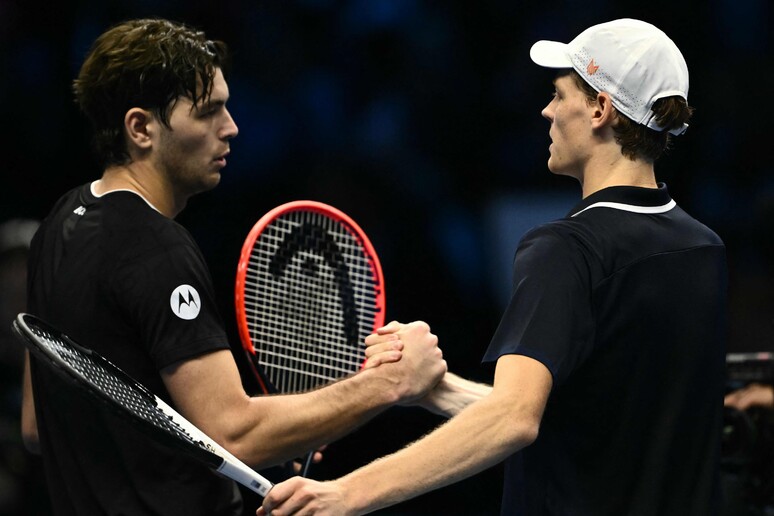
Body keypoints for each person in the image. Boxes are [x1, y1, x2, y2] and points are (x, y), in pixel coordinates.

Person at [258, 18, 728, 516]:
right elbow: (589, 426)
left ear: (599, 108)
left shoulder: (566, 249)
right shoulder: (705, 250)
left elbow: (515, 419)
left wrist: (346, 492)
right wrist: (440, 391)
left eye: (558, 94)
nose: (547, 111)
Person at [20, 18, 446, 515]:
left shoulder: (57, 224)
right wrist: (387, 384)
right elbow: (234, 432)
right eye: (208, 112)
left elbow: (37, 426)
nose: (231, 127)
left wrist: (274, 431)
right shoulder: (155, 247)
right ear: (141, 128)